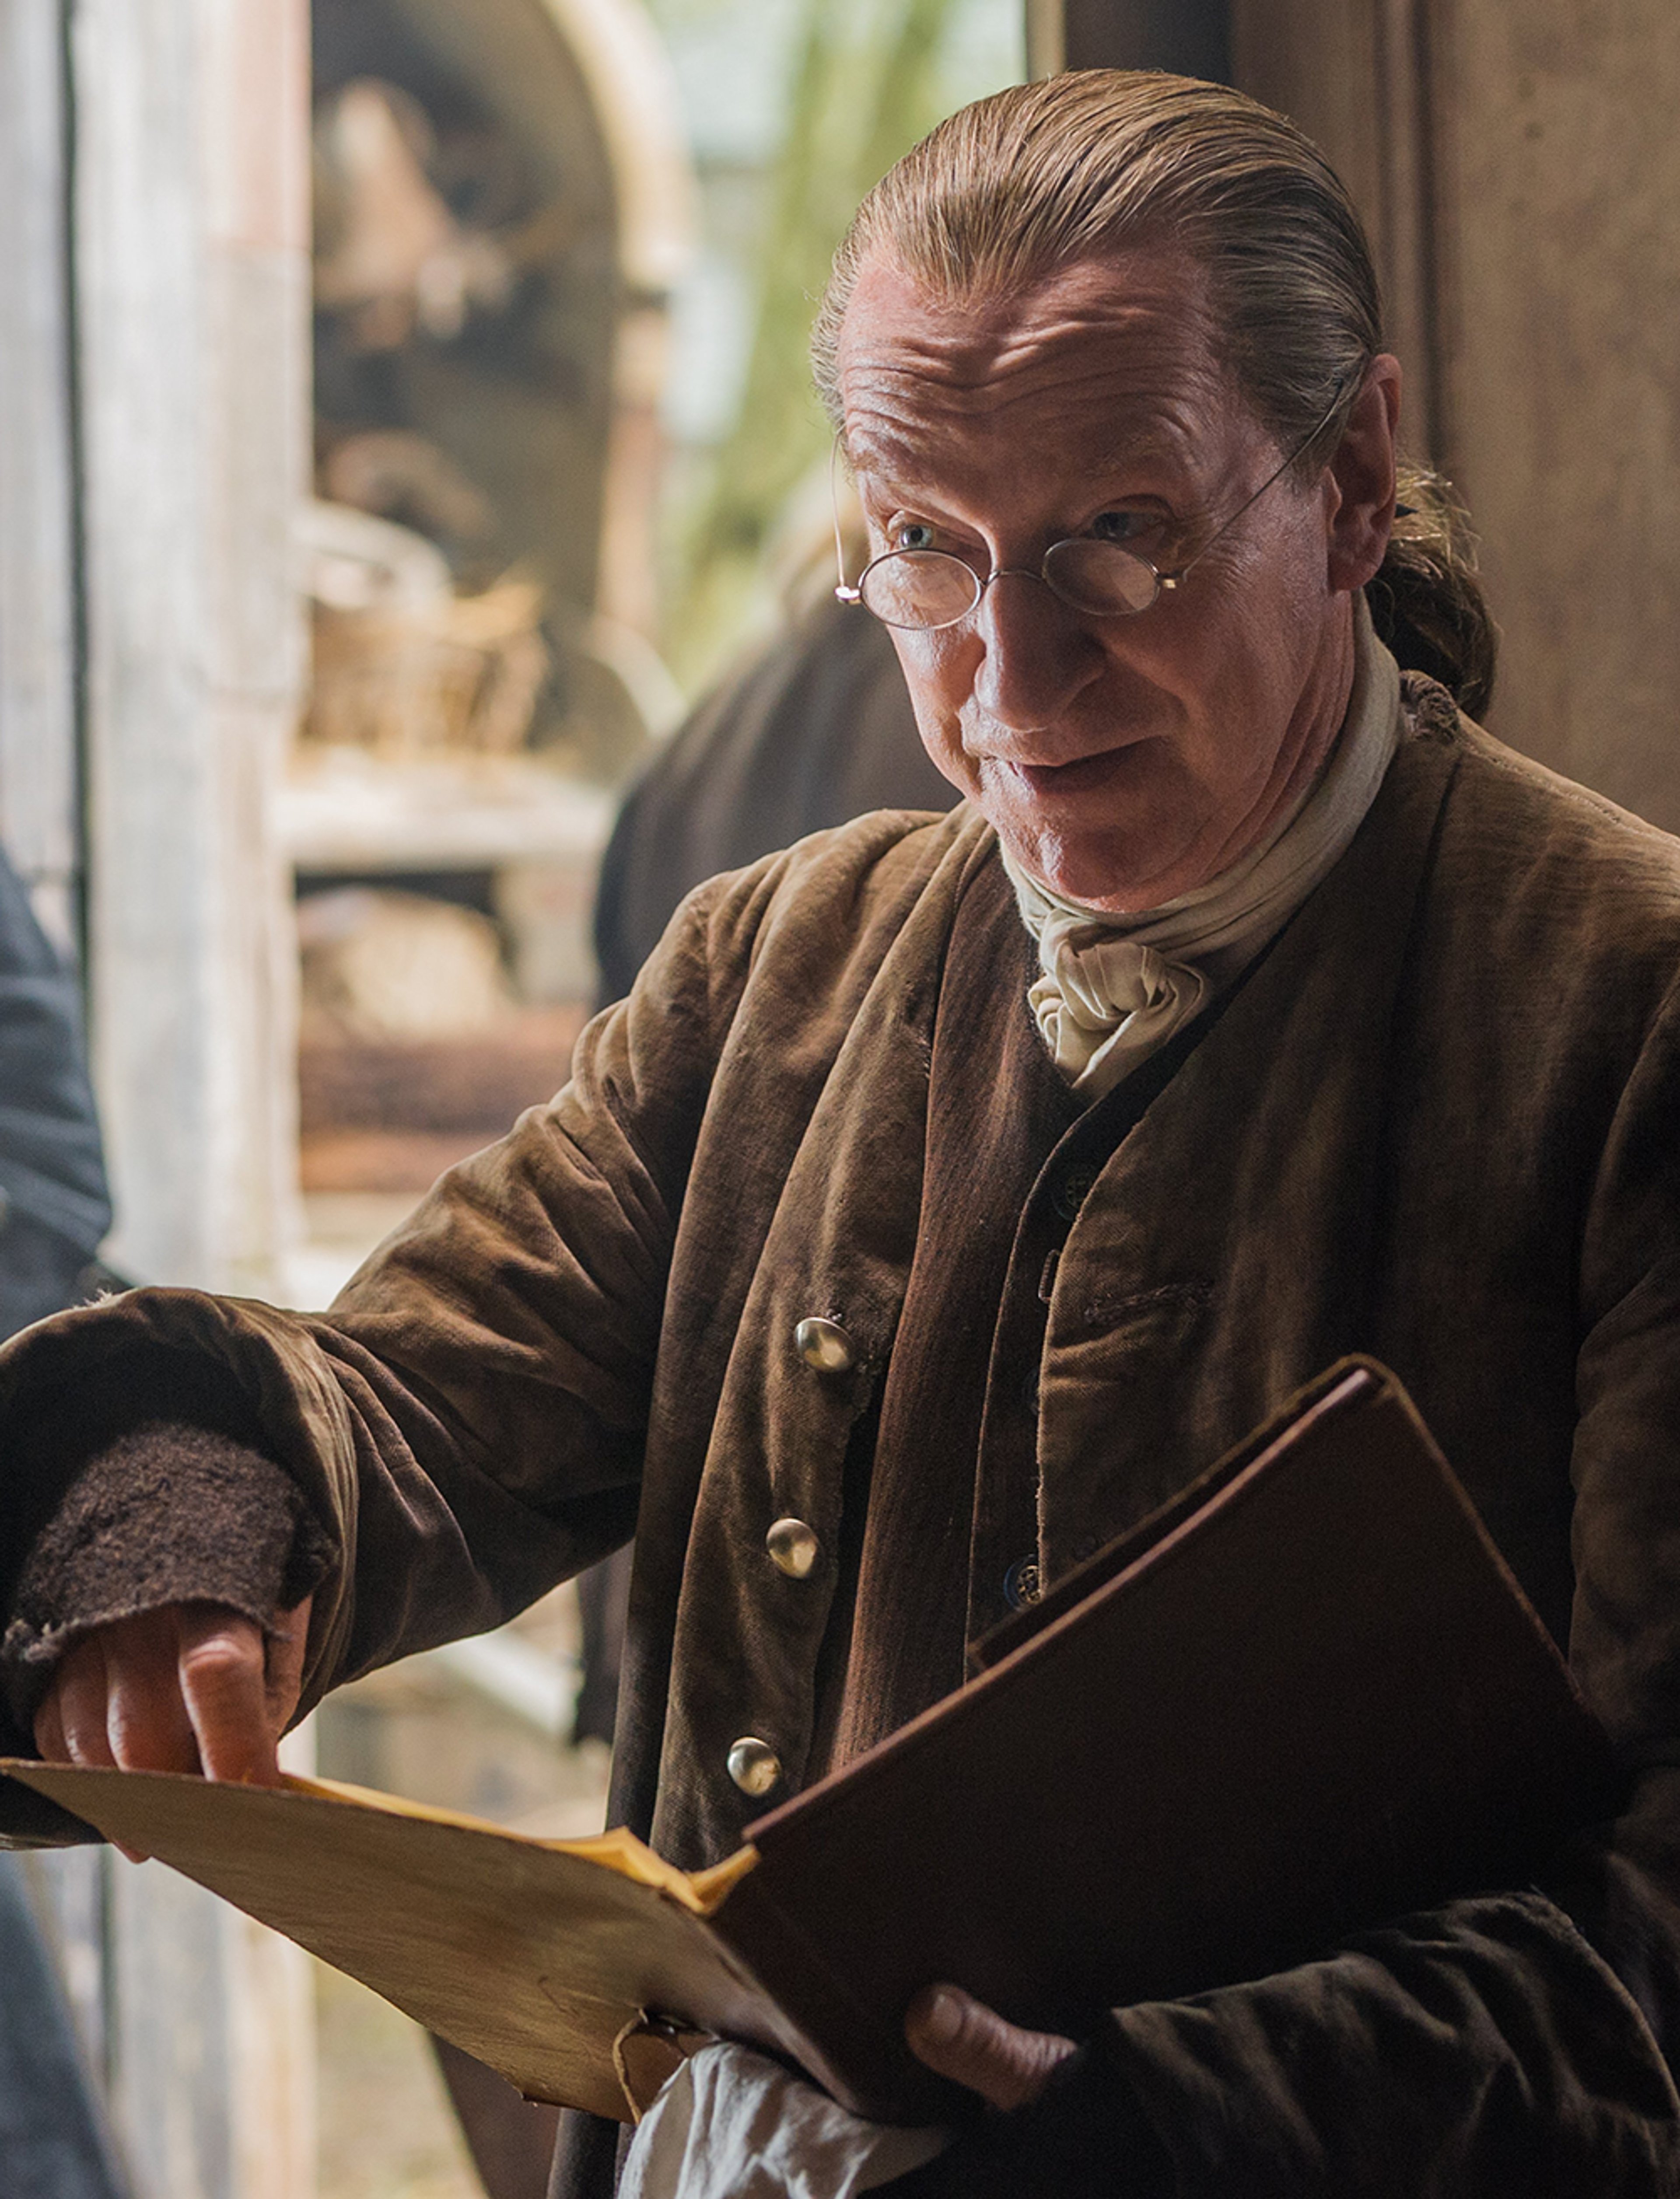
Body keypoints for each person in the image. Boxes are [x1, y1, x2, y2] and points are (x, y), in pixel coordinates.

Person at [3, 68, 1680, 2197]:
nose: (1013, 681)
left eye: (1121, 537)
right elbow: (417, 1403)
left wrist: (1156, 2131)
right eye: (926, 554)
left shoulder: (1623, 1022)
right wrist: (174, 1528)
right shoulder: (777, 970)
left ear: (1350, 476)